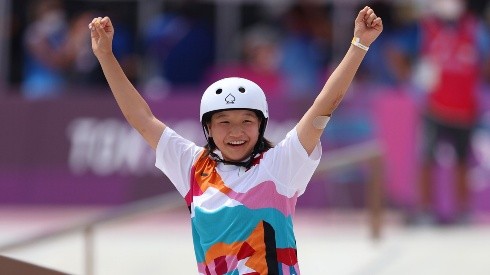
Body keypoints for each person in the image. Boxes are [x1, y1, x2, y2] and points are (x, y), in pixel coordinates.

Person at [89, 6, 382, 274]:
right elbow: (142, 119)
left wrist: (360, 44)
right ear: (208, 129)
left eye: (246, 121)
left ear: (261, 125)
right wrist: (105, 55)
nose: (236, 132)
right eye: (224, 123)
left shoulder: (281, 166)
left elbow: (325, 105)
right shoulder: (192, 166)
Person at [391, 0, 490, 224]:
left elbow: (485, 61)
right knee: (426, 159)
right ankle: (425, 210)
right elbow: (395, 51)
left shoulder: (474, 29)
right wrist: (411, 77)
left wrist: (479, 76)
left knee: (463, 161)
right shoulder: (426, 28)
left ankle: (463, 212)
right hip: (434, 108)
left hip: (465, 108)